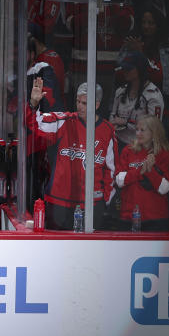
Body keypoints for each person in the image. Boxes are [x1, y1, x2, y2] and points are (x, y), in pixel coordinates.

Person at [29, 78, 117, 230]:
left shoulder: (108, 131)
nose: (80, 106)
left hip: (92, 205)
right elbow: (36, 125)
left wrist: (105, 201)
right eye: (78, 101)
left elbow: (111, 170)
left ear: (96, 105)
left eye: (84, 103)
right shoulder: (65, 121)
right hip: (59, 203)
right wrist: (33, 104)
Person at [114, 115, 169, 231]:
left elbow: (164, 188)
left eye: (142, 130)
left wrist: (150, 171)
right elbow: (119, 180)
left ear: (154, 133)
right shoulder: (128, 150)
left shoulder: (163, 154)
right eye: (137, 130)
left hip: (155, 217)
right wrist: (140, 171)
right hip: (128, 215)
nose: (138, 133)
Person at [109, 50, 164, 148]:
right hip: (118, 144)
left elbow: (155, 129)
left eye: (129, 69)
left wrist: (125, 123)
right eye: (124, 68)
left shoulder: (153, 95)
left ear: (140, 69)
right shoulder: (120, 92)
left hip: (141, 147)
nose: (125, 71)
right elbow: (112, 119)